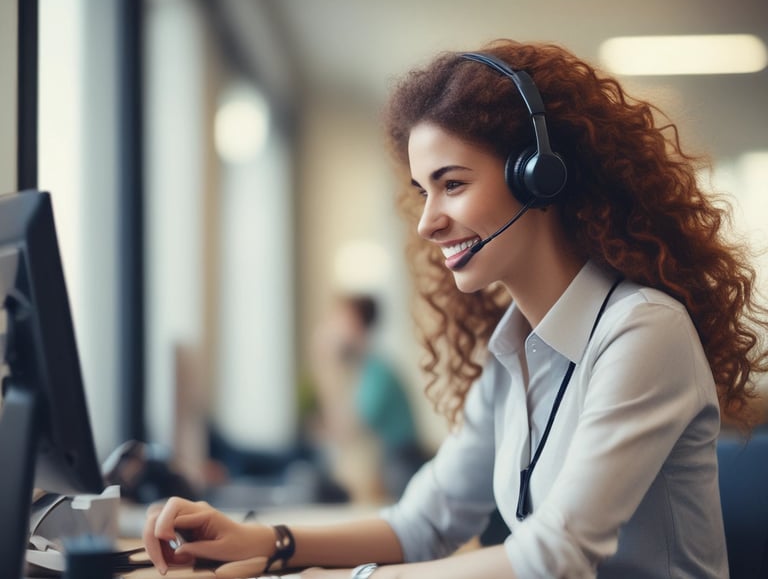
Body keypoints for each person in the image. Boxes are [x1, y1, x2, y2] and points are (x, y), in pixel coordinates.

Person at [142, 40, 768, 579]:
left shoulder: (642, 331)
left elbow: (555, 556)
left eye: (452, 184)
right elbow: (424, 521)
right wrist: (271, 542)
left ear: (539, 178)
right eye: (422, 190)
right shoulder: (511, 350)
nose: (427, 221)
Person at [308, 294, 427, 503]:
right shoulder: (360, 370)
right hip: (385, 466)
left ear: (356, 324)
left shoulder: (377, 372)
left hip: (401, 468)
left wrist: (326, 364)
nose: (331, 328)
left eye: (338, 319)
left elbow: (346, 430)